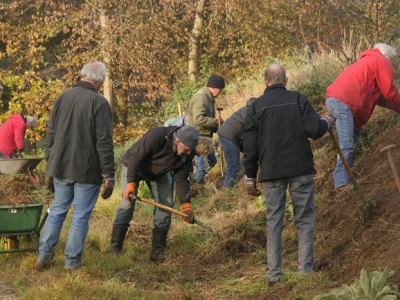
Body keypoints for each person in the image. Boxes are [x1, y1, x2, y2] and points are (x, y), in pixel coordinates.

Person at [243, 64, 335, 286]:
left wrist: (249, 177)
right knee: (304, 220)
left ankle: (274, 275)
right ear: (286, 81)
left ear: (265, 82)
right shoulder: (298, 99)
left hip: (272, 171)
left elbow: (250, 146)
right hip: (299, 168)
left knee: (274, 221)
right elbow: (315, 130)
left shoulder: (255, 106)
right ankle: (306, 271)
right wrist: (327, 121)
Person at [35, 61, 115, 271]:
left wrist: (49, 165)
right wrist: (109, 174)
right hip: (86, 170)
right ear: (99, 81)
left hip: (60, 166)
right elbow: (104, 141)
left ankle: (43, 256)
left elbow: (50, 134)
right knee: (80, 215)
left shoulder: (62, 97)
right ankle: (71, 262)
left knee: (58, 210)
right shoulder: (99, 103)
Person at [110, 125, 200, 263]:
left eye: (191, 150)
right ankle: (115, 249)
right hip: (134, 167)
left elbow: (182, 179)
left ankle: (157, 252)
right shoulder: (157, 136)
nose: (189, 153)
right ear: (177, 142)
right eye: (187, 149)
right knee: (128, 204)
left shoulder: (188, 153)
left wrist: (186, 206)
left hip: (159, 173)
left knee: (166, 205)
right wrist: (131, 184)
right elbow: (135, 158)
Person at [326, 43, 400, 189]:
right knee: (347, 143)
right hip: (344, 102)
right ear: (386, 55)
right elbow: (389, 92)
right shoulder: (380, 60)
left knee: (352, 141)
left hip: (337, 99)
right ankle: (341, 184)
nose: (390, 64)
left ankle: (348, 176)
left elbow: (383, 99)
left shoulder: (368, 62)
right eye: (390, 60)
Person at [187, 75, 225, 184]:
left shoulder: (208, 98)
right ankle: (197, 189)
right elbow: (199, 119)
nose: (220, 93)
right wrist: (215, 121)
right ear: (213, 88)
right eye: (220, 90)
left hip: (206, 137)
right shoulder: (201, 98)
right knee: (202, 166)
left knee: (212, 162)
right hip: (198, 137)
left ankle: (207, 186)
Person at [217, 98, 257, 189]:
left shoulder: (245, 110)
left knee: (247, 156)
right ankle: (226, 194)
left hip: (227, 133)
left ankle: (240, 182)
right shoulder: (251, 114)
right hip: (229, 136)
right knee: (233, 168)